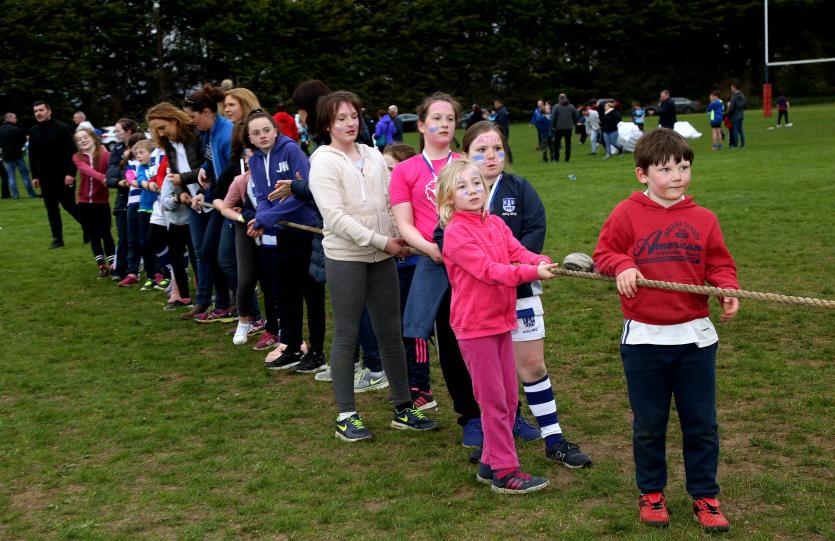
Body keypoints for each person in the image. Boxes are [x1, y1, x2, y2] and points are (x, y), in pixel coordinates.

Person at [592, 128, 738, 532]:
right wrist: (623, 265)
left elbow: (719, 264)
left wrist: (726, 289)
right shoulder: (626, 214)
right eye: (666, 168)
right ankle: (651, 493)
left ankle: (706, 497)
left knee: (701, 424)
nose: (677, 176)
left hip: (695, 340)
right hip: (645, 341)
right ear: (642, 174)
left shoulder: (704, 219)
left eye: (684, 167)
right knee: (650, 423)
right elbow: (604, 253)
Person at [306, 90, 436, 441]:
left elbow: (391, 202)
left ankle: (403, 407)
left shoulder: (373, 155)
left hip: (384, 257)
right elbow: (334, 216)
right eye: (341, 118)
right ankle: (346, 415)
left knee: (391, 331)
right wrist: (383, 242)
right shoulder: (323, 160)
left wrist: (400, 237)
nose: (349, 123)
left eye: (353, 116)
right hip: (346, 257)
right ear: (326, 124)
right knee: (347, 333)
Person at [461, 121, 592, 467]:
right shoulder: (456, 198)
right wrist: (498, 268)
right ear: (465, 155)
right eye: (481, 150)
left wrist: (529, 266)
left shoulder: (519, 188)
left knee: (531, 365)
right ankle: (496, 449)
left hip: (521, 291)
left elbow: (533, 232)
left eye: (497, 149)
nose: (491, 156)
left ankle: (554, 439)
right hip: (481, 301)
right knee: (493, 381)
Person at [437, 158, 557, 494]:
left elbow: (517, 251)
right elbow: (492, 271)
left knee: (506, 397)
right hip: (475, 328)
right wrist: (532, 272)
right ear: (448, 198)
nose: (473, 190)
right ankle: (507, 472)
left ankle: (490, 462)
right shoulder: (457, 234)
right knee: (492, 401)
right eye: (462, 186)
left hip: (502, 321)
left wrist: (540, 261)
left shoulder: (494, 224)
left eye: (476, 183)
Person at [390, 92, 484, 447]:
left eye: (449, 119)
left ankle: (509, 412)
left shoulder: (466, 162)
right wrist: (430, 248)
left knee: (490, 340)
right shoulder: (405, 170)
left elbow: (483, 207)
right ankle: (471, 417)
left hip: (475, 265)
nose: (444, 124)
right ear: (421, 125)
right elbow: (404, 222)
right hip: (435, 265)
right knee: (452, 342)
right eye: (437, 118)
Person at [247, 111, 325, 371]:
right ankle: (291, 346)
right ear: (250, 137)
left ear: (275, 130)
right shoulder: (256, 160)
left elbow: (302, 192)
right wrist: (261, 218)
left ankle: (316, 351)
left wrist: (267, 217)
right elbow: (261, 195)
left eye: (266, 130)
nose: (262, 136)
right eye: (256, 133)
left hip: (306, 228)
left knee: (311, 292)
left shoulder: (291, 151)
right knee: (285, 291)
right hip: (281, 231)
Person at [146, 102, 209, 315]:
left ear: (174, 120)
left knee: (207, 254)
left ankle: (219, 300)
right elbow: (174, 174)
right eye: (156, 130)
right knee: (197, 253)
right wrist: (181, 191)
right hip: (191, 203)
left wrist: (184, 179)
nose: (160, 133)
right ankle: (199, 300)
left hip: (208, 198)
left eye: (162, 127)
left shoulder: (195, 137)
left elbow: (206, 169)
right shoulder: (170, 146)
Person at [183, 86, 236, 322]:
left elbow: (231, 173)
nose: (192, 123)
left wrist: (219, 200)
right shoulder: (209, 132)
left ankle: (243, 306)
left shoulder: (227, 134)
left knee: (221, 256)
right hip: (218, 199)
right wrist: (204, 171)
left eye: (193, 117)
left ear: (206, 112)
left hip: (229, 202)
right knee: (208, 251)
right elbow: (210, 161)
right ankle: (224, 303)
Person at [29, 101, 83, 249]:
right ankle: (57, 239)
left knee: (70, 205)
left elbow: (73, 152)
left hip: (64, 176)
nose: (38, 113)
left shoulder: (62, 128)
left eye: (41, 110)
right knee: (51, 208)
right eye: (36, 111)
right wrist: (35, 176)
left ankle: (89, 228)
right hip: (45, 178)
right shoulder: (34, 131)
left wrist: (70, 173)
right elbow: (32, 155)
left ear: (49, 111)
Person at [72, 127, 115, 277]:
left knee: (106, 232)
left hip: (101, 201)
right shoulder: (78, 157)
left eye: (85, 137)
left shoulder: (106, 156)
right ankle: (101, 264)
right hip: (84, 202)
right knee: (93, 234)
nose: (82, 140)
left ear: (93, 137)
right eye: (78, 139)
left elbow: (113, 169)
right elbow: (85, 170)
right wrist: (102, 178)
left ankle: (113, 263)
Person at [106, 118, 140, 282]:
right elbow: (111, 172)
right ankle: (121, 269)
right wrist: (118, 181)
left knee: (141, 237)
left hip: (140, 198)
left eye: (118, 130)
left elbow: (138, 168)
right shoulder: (117, 149)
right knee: (124, 237)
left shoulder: (142, 146)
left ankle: (142, 268)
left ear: (129, 131)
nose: (116, 133)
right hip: (123, 199)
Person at [0, 112, 37, 199]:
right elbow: (23, 140)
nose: (16, 119)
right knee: (25, 175)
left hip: (7, 156)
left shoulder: (0, 129)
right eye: (15, 118)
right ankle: (31, 194)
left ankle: (15, 195)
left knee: (11, 177)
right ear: (10, 119)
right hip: (17, 155)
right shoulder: (15, 129)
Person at [550, 93, 579, 162]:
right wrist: (576, 126)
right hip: (569, 128)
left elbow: (553, 118)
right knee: (568, 143)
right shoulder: (571, 106)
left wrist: (552, 126)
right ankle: (567, 158)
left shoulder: (556, 107)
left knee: (557, 144)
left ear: (559, 98)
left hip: (558, 128)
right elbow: (576, 117)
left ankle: (557, 158)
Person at [492, 98, 512, 164]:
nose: (495, 105)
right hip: (502, 130)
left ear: (499, 103)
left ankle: (509, 159)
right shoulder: (500, 110)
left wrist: (493, 122)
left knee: (504, 144)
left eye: (496, 103)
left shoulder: (502, 111)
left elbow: (500, 121)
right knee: (504, 144)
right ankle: (507, 159)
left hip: (503, 130)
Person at [728, 83, 746, 148]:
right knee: (740, 130)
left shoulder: (734, 96)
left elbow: (731, 107)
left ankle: (735, 145)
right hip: (741, 114)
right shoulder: (742, 95)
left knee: (735, 130)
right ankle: (743, 144)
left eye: (731, 87)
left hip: (735, 115)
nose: (731, 89)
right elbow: (745, 105)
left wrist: (728, 114)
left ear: (735, 87)